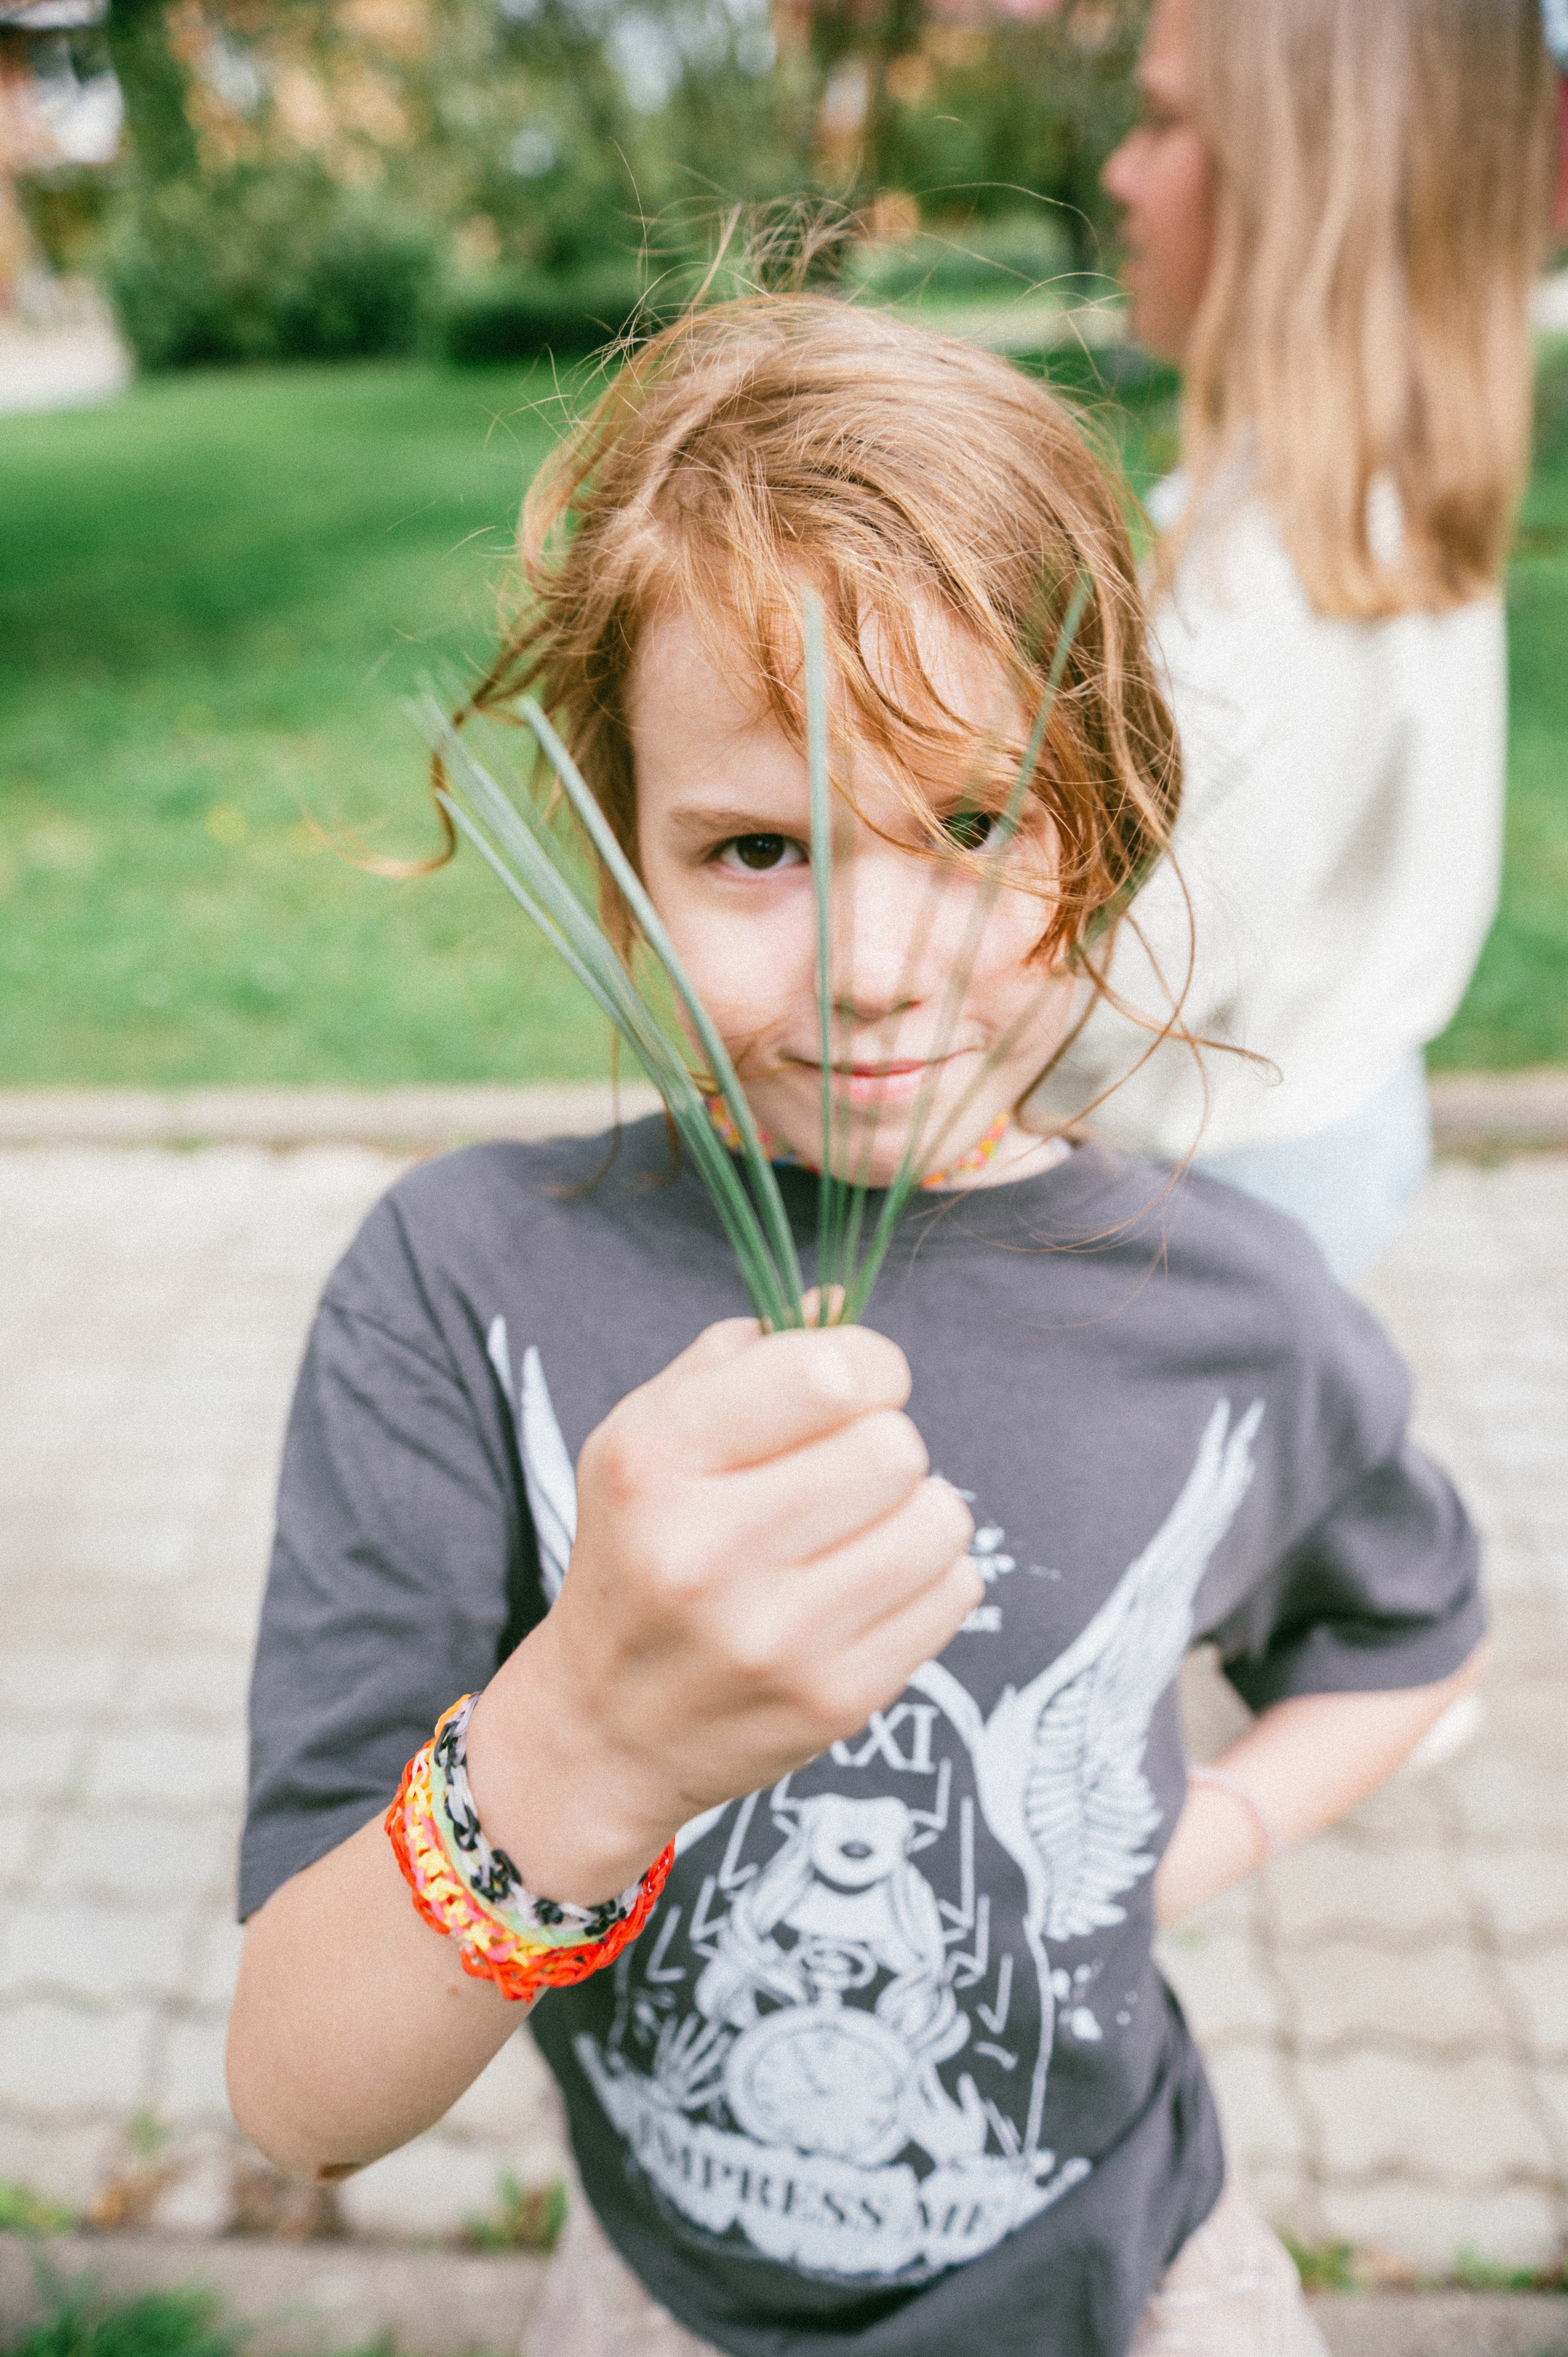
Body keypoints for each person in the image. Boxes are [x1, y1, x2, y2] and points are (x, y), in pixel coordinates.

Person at [227, 298, 1488, 2357]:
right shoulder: (458, 1289)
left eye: (974, 821)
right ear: (623, 866)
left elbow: (1413, 1636)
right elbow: (299, 2090)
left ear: (1104, 810)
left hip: (1137, 2268)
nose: (879, 964)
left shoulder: (1236, 1314)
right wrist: (589, 1731)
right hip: (667, 2290)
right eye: (756, 846)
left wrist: (1192, 1835)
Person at [1028, 0, 1563, 1283]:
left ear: (1300, 183)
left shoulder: (1285, 578)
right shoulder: (1348, 500)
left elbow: (1130, 976)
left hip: (1209, 1191)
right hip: (1320, 1128)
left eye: (1161, 123)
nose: (1118, 170)